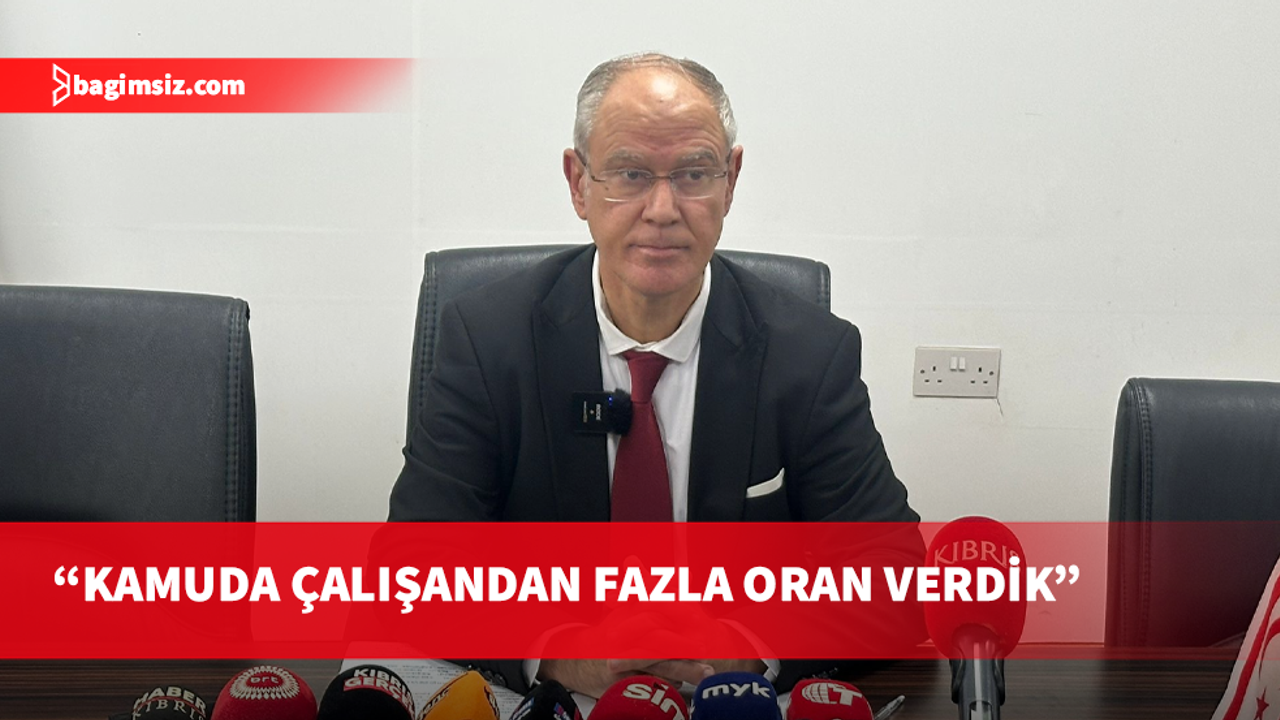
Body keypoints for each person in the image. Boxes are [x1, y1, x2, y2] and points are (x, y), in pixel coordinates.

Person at [388, 52, 922, 698]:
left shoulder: (809, 355)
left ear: (731, 182)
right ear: (578, 183)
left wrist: (749, 650)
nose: (663, 209)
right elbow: (416, 572)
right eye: (630, 173)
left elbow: (893, 585)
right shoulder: (488, 339)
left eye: (694, 173)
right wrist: (557, 654)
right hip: (558, 699)